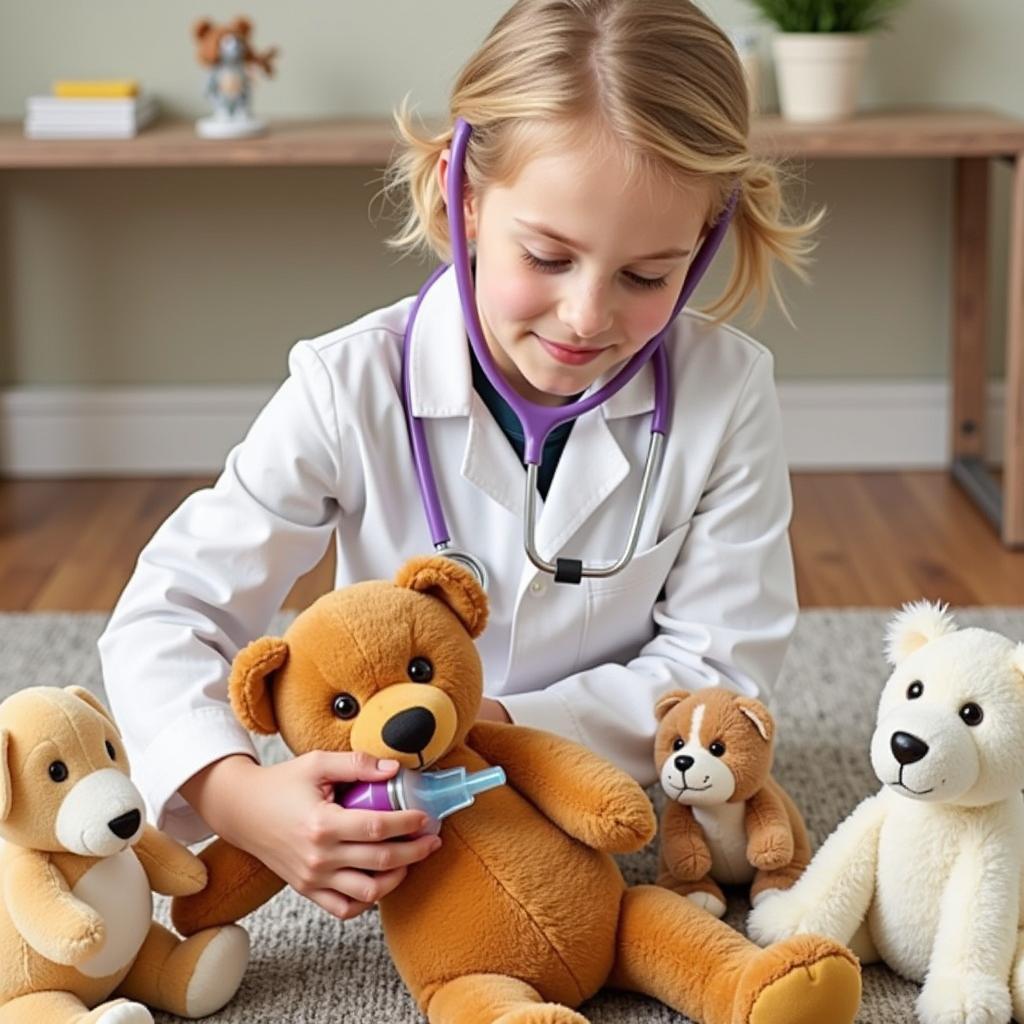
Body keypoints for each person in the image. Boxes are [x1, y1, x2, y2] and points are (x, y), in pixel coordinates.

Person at [99, 0, 819, 926]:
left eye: (648, 276)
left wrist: (496, 738)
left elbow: (724, 663)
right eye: (548, 256)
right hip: (402, 819)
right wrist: (243, 800)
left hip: (602, 811)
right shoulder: (348, 383)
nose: (587, 316)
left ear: (708, 239)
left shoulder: (729, 393)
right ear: (464, 194)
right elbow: (169, 609)